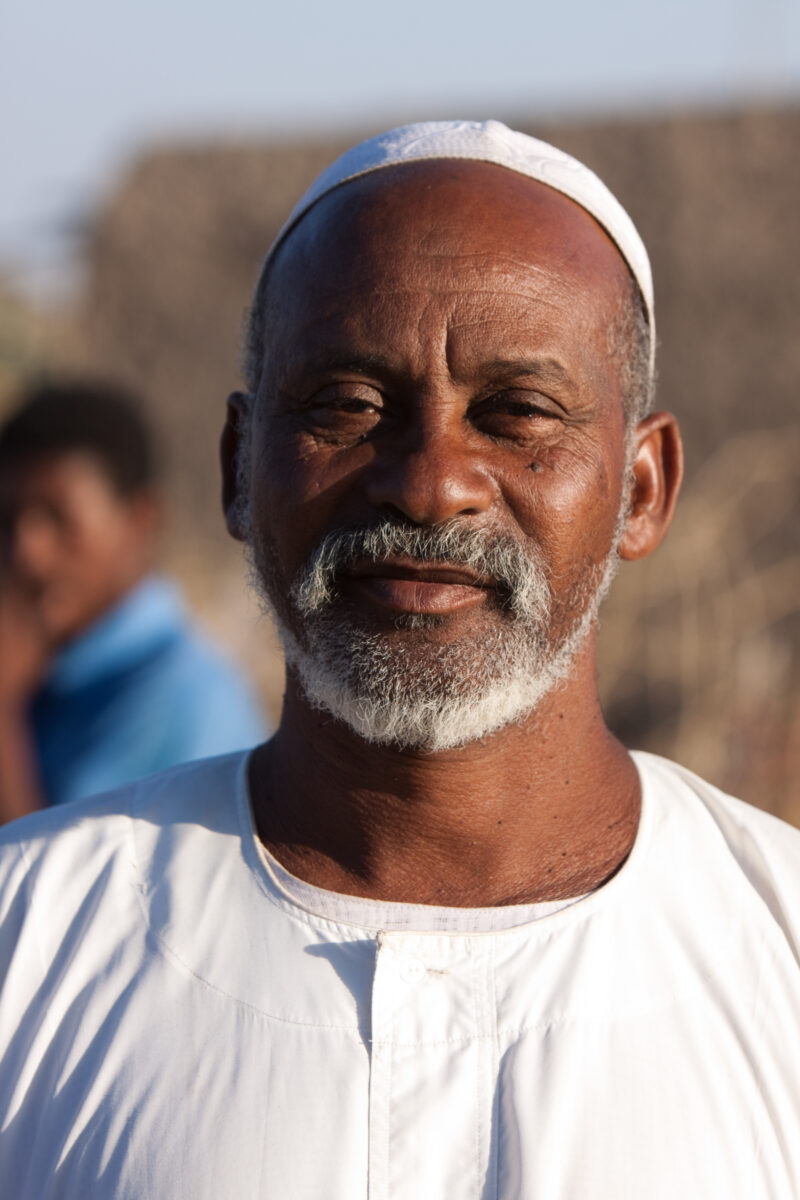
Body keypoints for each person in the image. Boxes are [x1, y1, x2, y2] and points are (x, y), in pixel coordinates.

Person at [0, 121, 798, 1197]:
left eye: (517, 413)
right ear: (239, 471)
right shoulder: (31, 937)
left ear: (641, 488)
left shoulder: (774, 948)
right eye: (348, 407)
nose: (429, 486)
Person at [0, 379, 265, 819]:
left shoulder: (182, 701)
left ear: (141, 521)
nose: (26, 553)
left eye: (58, 518)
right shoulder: (41, 665)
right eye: (7, 520)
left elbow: (67, 883)